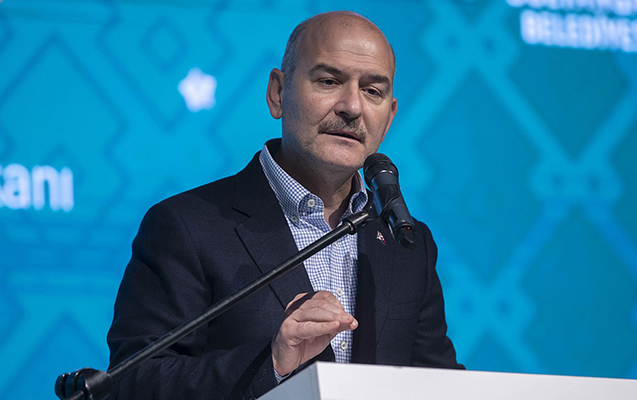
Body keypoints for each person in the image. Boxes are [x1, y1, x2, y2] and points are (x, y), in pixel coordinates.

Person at [107, 10, 462, 400]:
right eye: (329, 81)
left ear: (389, 117)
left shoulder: (406, 241)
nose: (352, 106)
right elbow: (132, 384)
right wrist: (273, 363)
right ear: (278, 93)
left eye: (372, 91)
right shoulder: (185, 226)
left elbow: (438, 383)